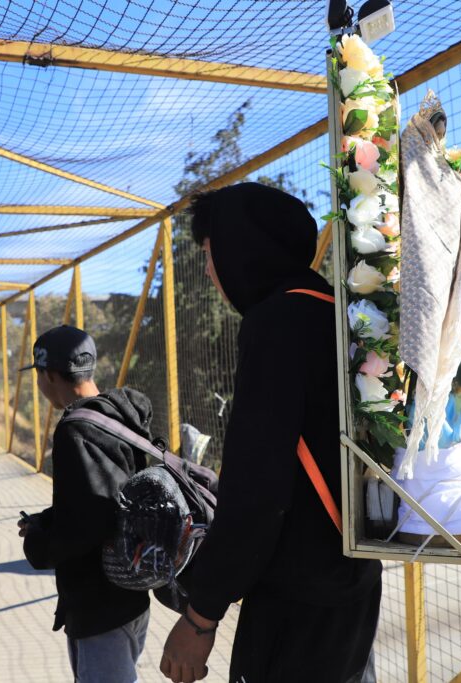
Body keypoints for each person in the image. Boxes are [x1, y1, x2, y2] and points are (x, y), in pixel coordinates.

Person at [159, 183, 382, 683]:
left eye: (212, 255)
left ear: (244, 248)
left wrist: (200, 617)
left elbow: (259, 489)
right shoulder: (338, 309)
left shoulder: (276, 321)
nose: (212, 271)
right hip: (356, 578)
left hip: (299, 599)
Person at [17, 325, 152, 683]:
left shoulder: (75, 429)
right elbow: (112, 496)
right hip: (132, 591)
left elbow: (88, 523)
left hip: (99, 605)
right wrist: (46, 519)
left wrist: (39, 544)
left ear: (48, 375)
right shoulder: (120, 414)